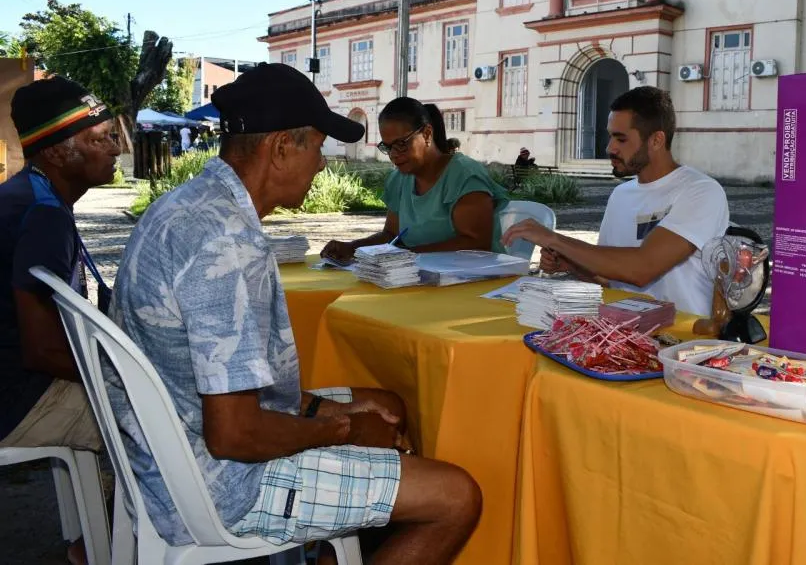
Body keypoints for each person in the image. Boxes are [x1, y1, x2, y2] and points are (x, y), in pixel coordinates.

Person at [109, 64, 481, 564]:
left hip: (172, 437)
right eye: (319, 148)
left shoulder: (191, 205)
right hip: (217, 483)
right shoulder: (227, 245)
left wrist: (328, 412)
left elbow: (228, 392)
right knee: (455, 497)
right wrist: (343, 429)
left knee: (387, 403)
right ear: (283, 147)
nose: (323, 166)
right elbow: (236, 434)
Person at [0, 76, 121, 565]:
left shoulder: (26, 197)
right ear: (55, 153)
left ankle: (96, 537)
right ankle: (100, 547)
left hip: (14, 386)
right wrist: (134, 369)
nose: (115, 148)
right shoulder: (43, 216)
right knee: (161, 419)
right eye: (100, 138)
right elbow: (44, 351)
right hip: (15, 400)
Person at [503, 86, 729, 316]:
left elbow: (642, 269)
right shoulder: (621, 195)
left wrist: (553, 238)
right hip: (624, 331)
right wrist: (571, 263)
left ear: (657, 140)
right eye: (610, 136)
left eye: (620, 139)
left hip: (683, 338)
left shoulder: (701, 191)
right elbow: (610, 278)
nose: (609, 148)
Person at [322, 97, 509, 262]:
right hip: (416, 278)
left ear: (427, 134)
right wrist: (353, 248)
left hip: (474, 282)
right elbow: (391, 234)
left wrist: (405, 256)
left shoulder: (464, 175)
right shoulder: (399, 179)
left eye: (401, 144)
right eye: (387, 147)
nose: (394, 154)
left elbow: (476, 244)